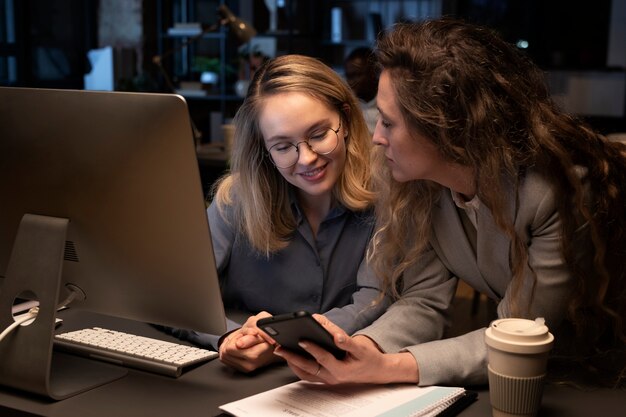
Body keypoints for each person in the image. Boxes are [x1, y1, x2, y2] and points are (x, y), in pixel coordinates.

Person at [274, 19, 626, 388]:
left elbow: (521, 335)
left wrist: (389, 368)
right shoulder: (420, 186)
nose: (376, 137)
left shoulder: (556, 191)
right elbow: (424, 299)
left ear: (444, 127)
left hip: (601, 375)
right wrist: (362, 349)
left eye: (389, 123)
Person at [168, 54, 394, 373]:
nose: (306, 159)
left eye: (318, 134)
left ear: (344, 121)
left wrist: (280, 342)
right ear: (264, 148)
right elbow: (178, 293)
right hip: (234, 380)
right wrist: (229, 336)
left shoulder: (388, 198)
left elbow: (373, 301)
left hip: (338, 375)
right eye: (283, 146)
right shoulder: (235, 199)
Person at [344, 47, 379, 135]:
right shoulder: (347, 105)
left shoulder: (389, 101)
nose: (351, 82)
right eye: (349, 76)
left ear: (373, 72)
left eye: (357, 74)